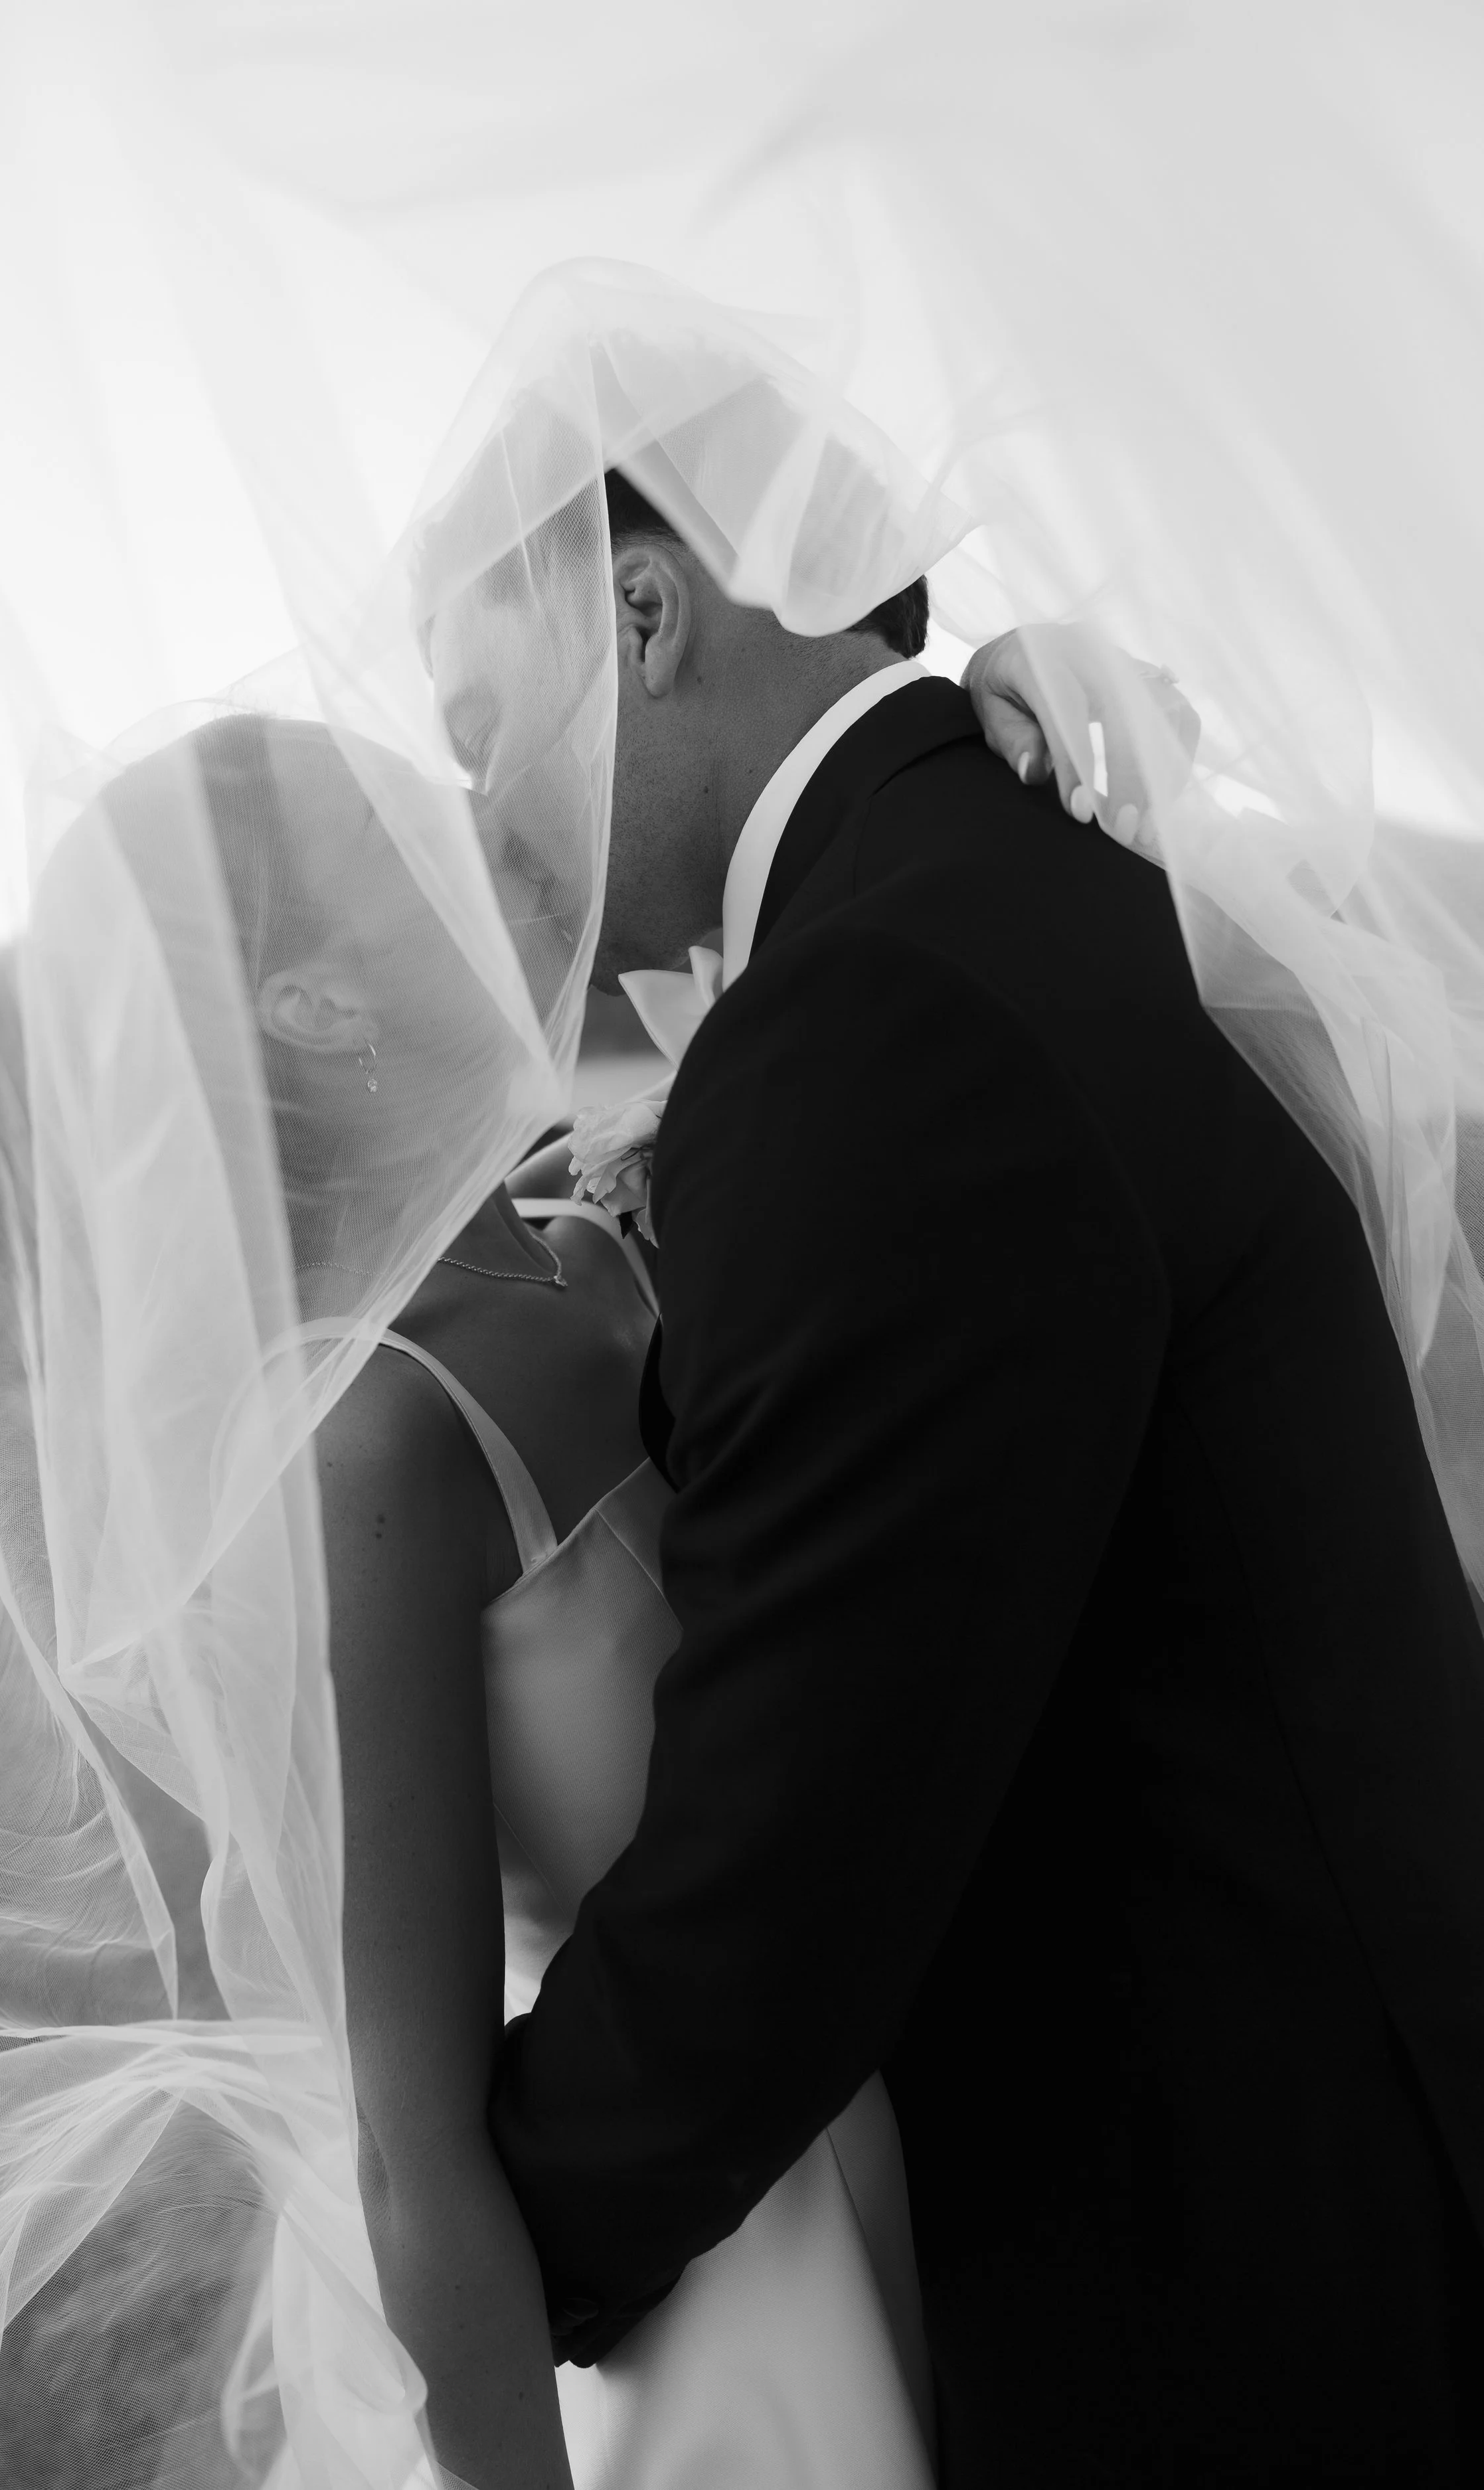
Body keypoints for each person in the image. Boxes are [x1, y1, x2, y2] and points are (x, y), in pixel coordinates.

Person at [486, 470, 1484, 2486]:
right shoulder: (1006, 867)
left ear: (644, 617)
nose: (475, 822)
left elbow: (785, 1857)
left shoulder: (880, 1004)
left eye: (472, 719)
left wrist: (437, 2263)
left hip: (1240, 2291)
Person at [173, 647, 1113, 2490]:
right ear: (311, 1001)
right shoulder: (375, 1446)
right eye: (402, 831)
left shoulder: (612, 1226)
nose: (480, 821)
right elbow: (405, 2146)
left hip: (945, 2169)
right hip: (712, 2322)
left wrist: (989, 721)